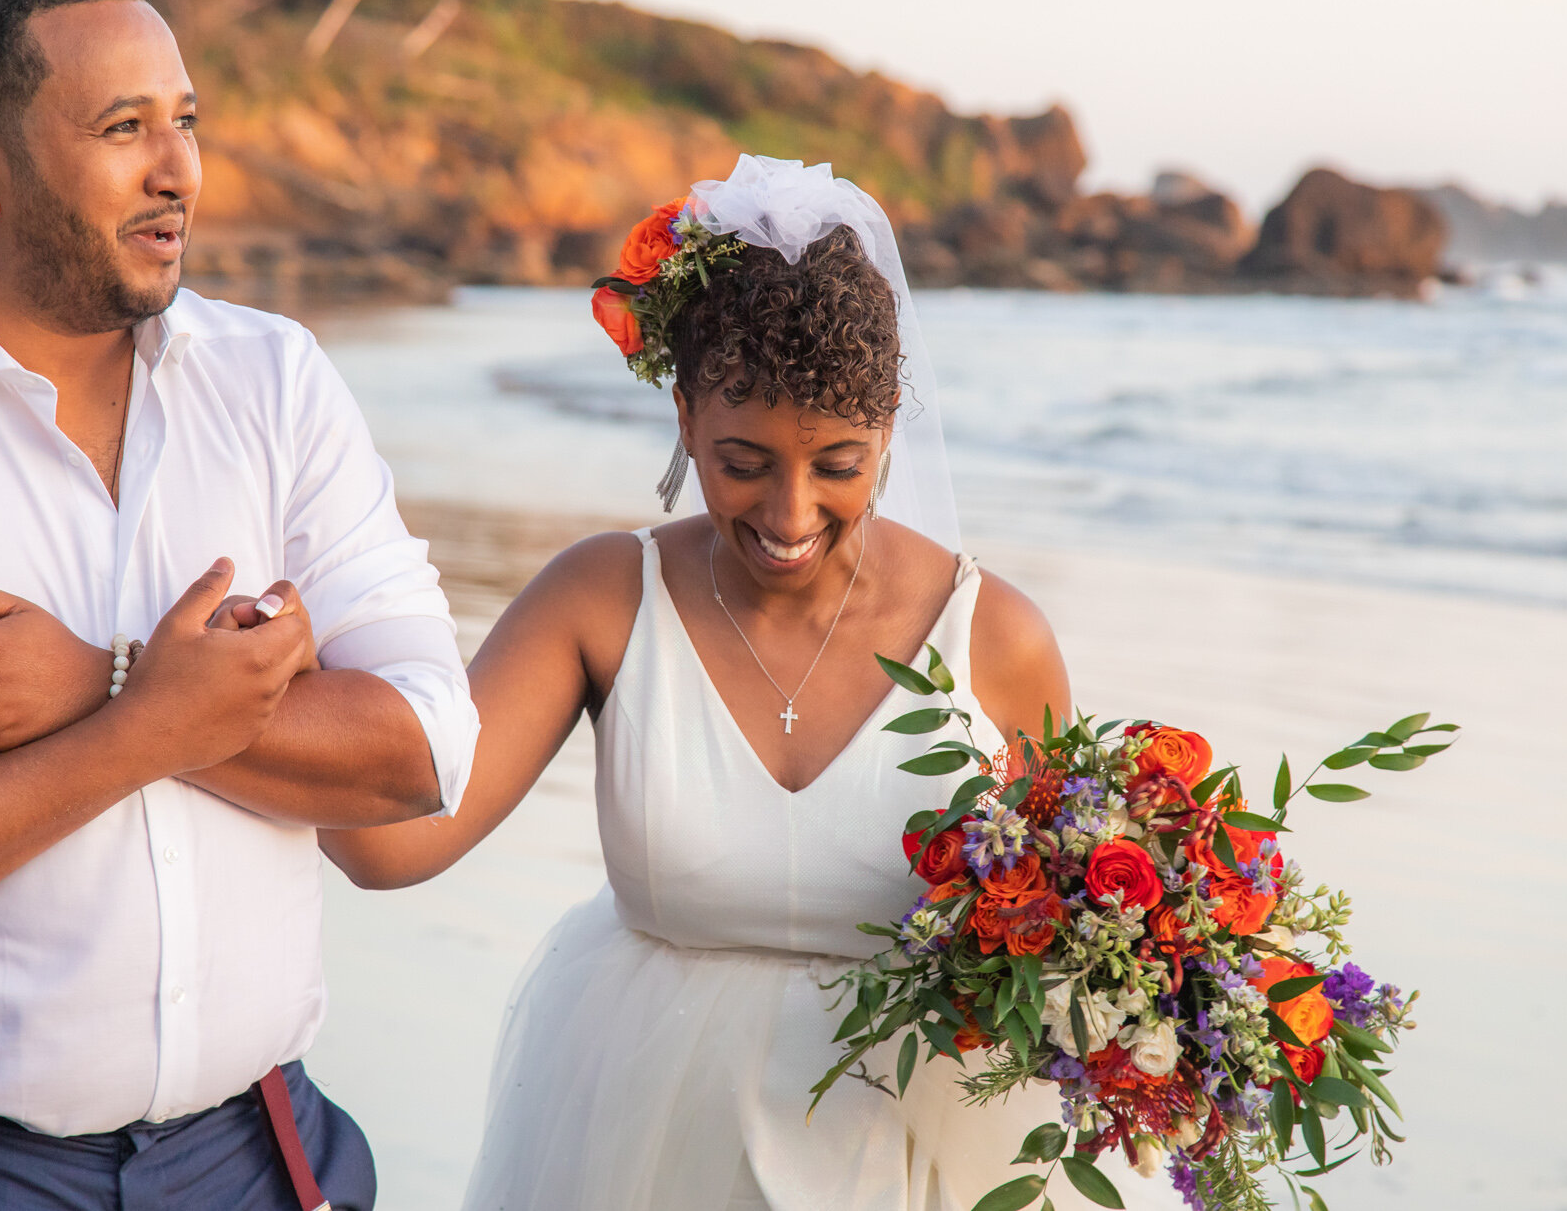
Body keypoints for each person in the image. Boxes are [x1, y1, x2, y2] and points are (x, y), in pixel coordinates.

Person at [319, 156, 1189, 1209]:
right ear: (682, 415)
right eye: (742, 460)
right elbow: (390, 842)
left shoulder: (993, 635)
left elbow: (1087, 934)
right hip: (637, 1140)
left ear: (886, 438)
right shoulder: (599, 599)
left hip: (908, 1160)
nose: (787, 514)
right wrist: (216, 684)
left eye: (836, 464)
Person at [0, 0, 477, 1210]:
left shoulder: (275, 382)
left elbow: (422, 750)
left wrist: (99, 682)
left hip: (261, 1155)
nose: (178, 170)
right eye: (123, 127)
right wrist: (149, 723)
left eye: (185, 120)